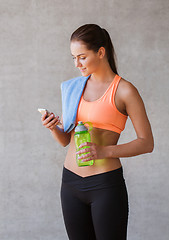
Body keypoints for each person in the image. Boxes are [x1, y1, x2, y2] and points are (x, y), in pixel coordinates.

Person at [40, 24, 154, 240]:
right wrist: (54, 127)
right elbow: (66, 141)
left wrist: (103, 151)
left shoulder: (124, 90)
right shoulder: (73, 88)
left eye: (82, 57)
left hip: (105, 186)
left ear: (101, 52)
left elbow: (146, 143)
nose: (76, 64)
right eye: (73, 57)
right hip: (70, 183)